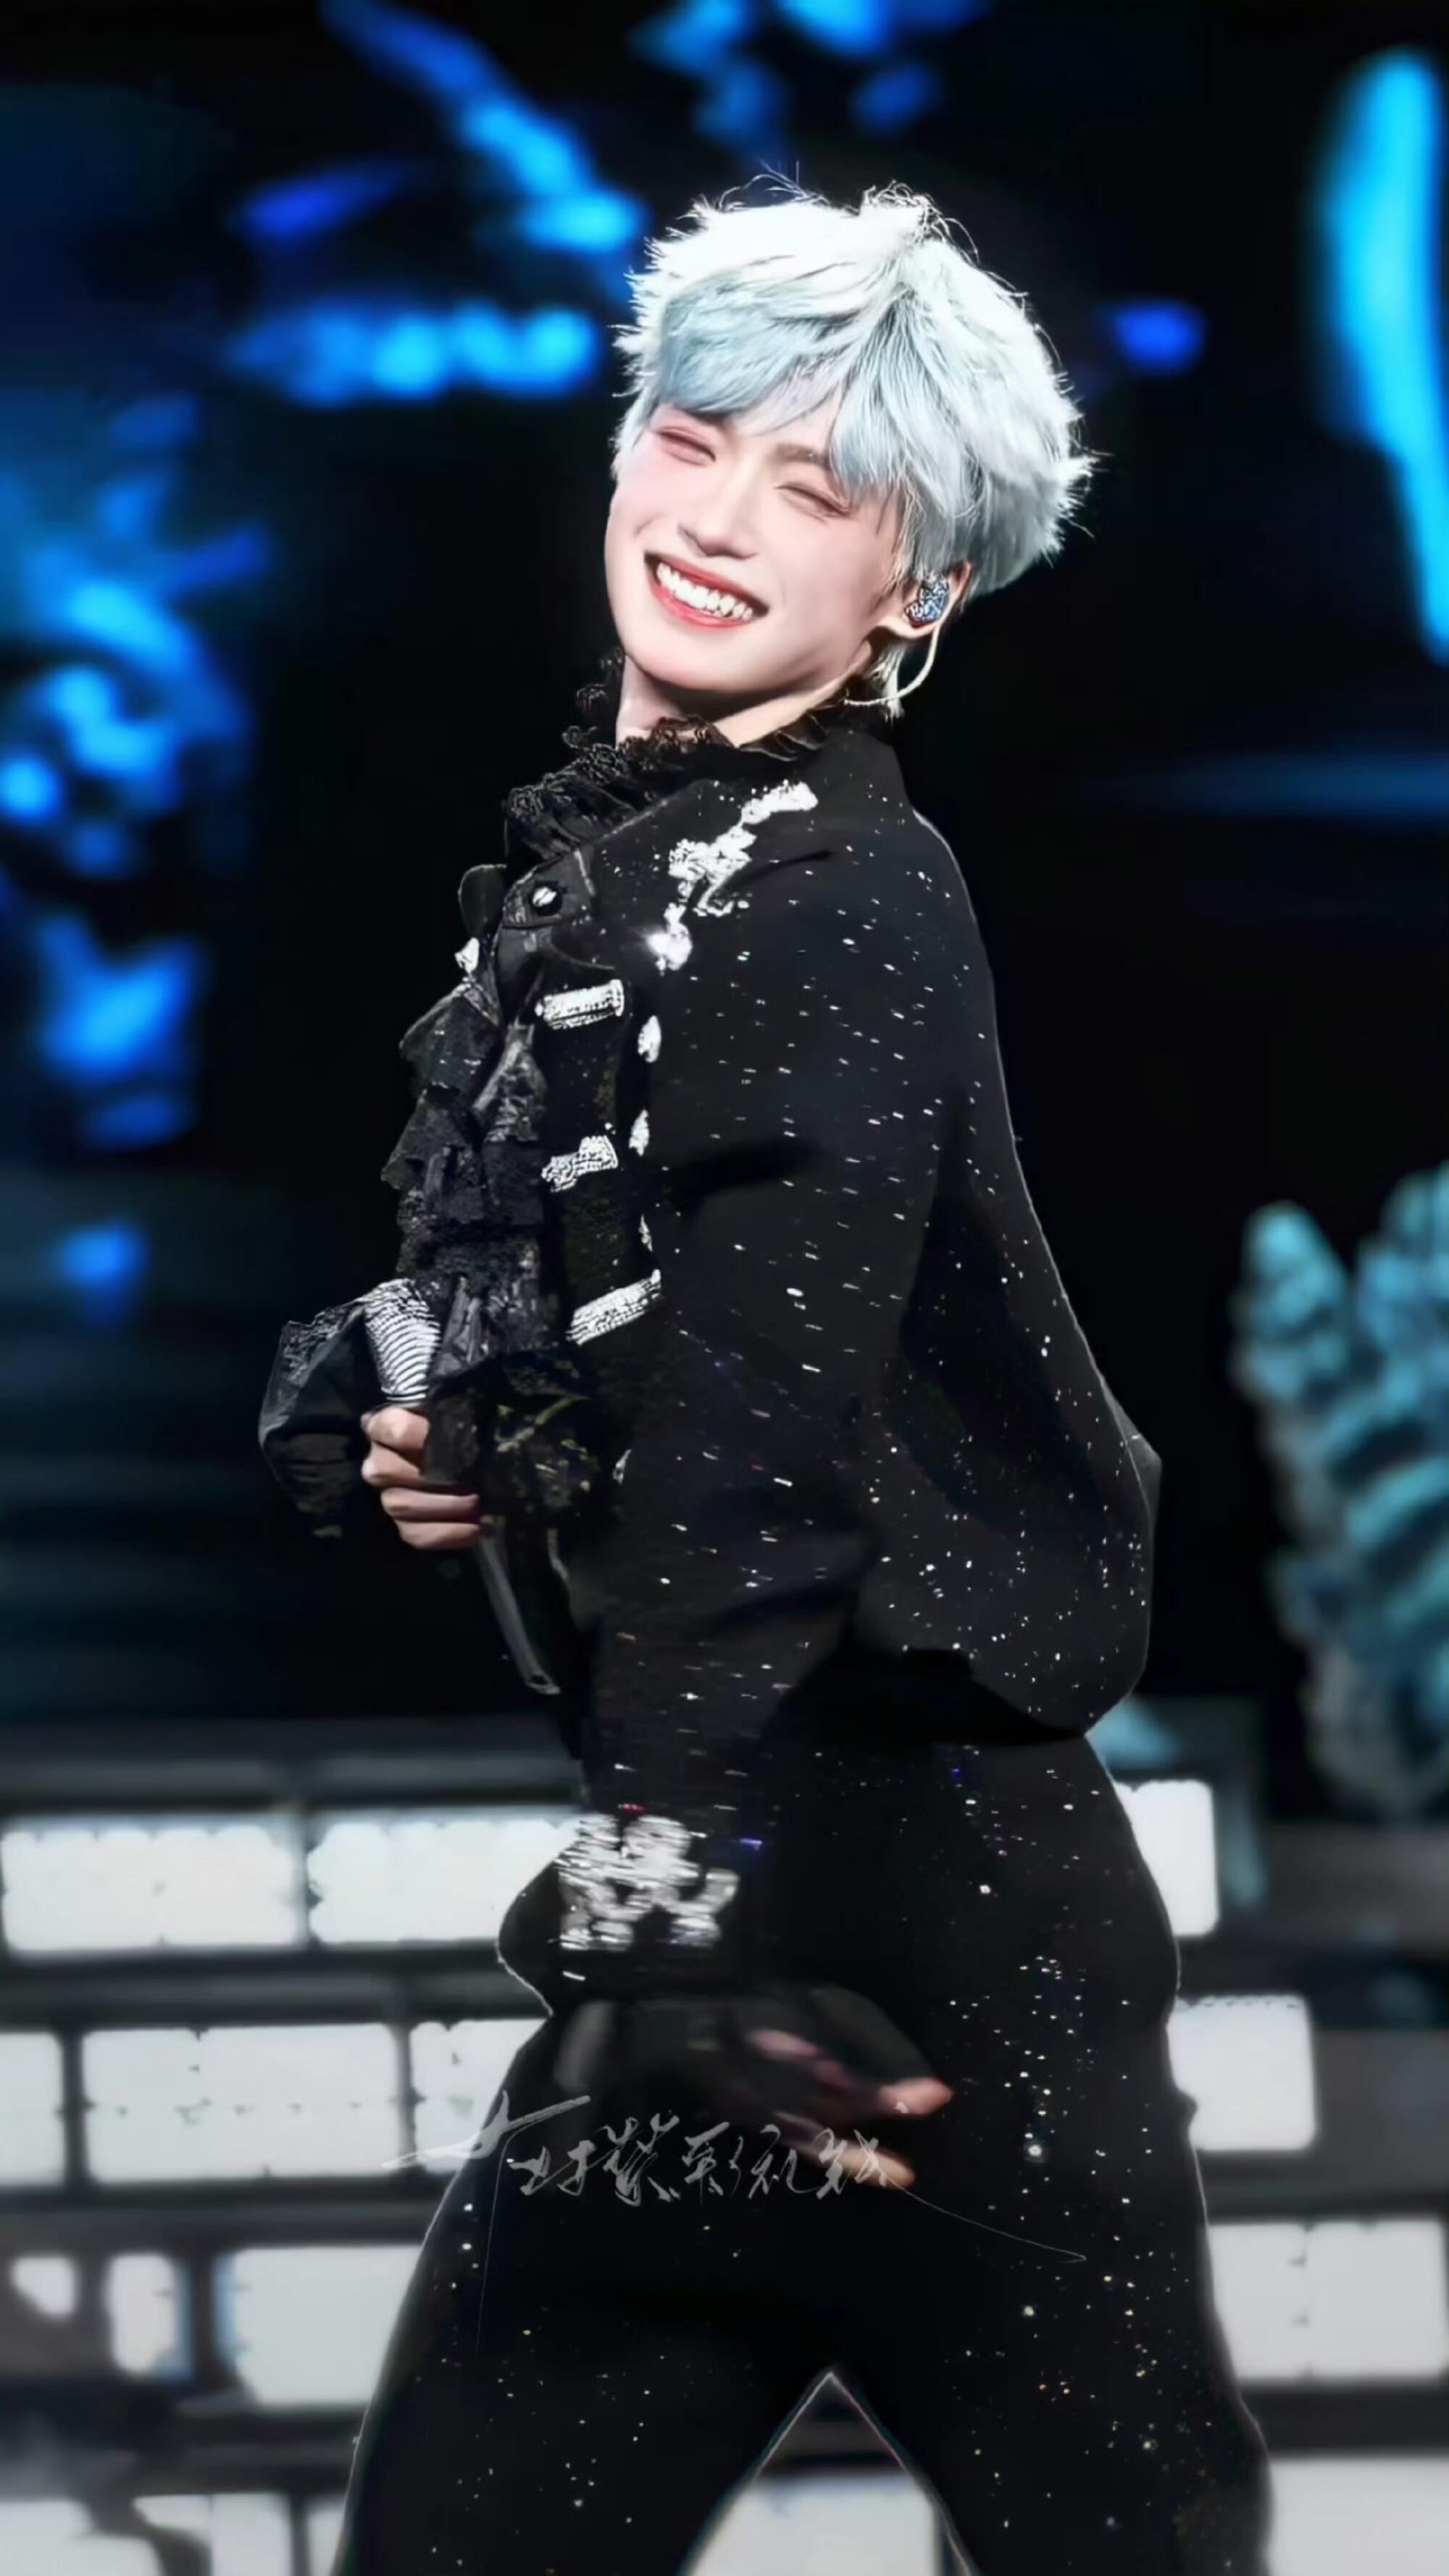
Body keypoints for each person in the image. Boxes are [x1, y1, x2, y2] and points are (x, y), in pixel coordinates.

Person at [260, 182, 1274, 2575]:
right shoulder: (616, 882)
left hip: (926, 1945)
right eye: (697, 439)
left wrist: (646, 1891)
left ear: (918, 588)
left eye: (818, 489)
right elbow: (575, 1300)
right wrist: (427, 1425)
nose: (720, 517)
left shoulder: (835, 892)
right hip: (715, 1932)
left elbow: (761, 1434)